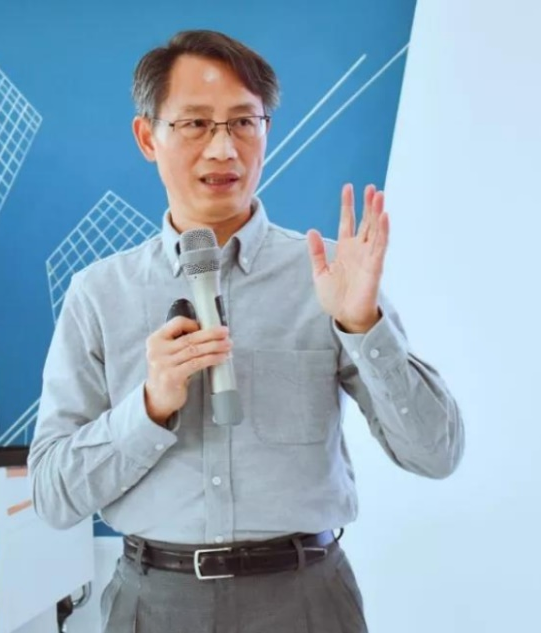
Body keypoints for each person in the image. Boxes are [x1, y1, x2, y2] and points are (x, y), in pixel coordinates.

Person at [28, 29, 465, 633]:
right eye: (195, 124)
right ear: (148, 137)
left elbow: (437, 454)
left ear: (266, 131)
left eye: (242, 123)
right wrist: (150, 406)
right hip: (153, 604)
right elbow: (53, 497)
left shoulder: (330, 278)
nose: (222, 149)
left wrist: (362, 326)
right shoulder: (99, 293)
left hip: (306, 600)